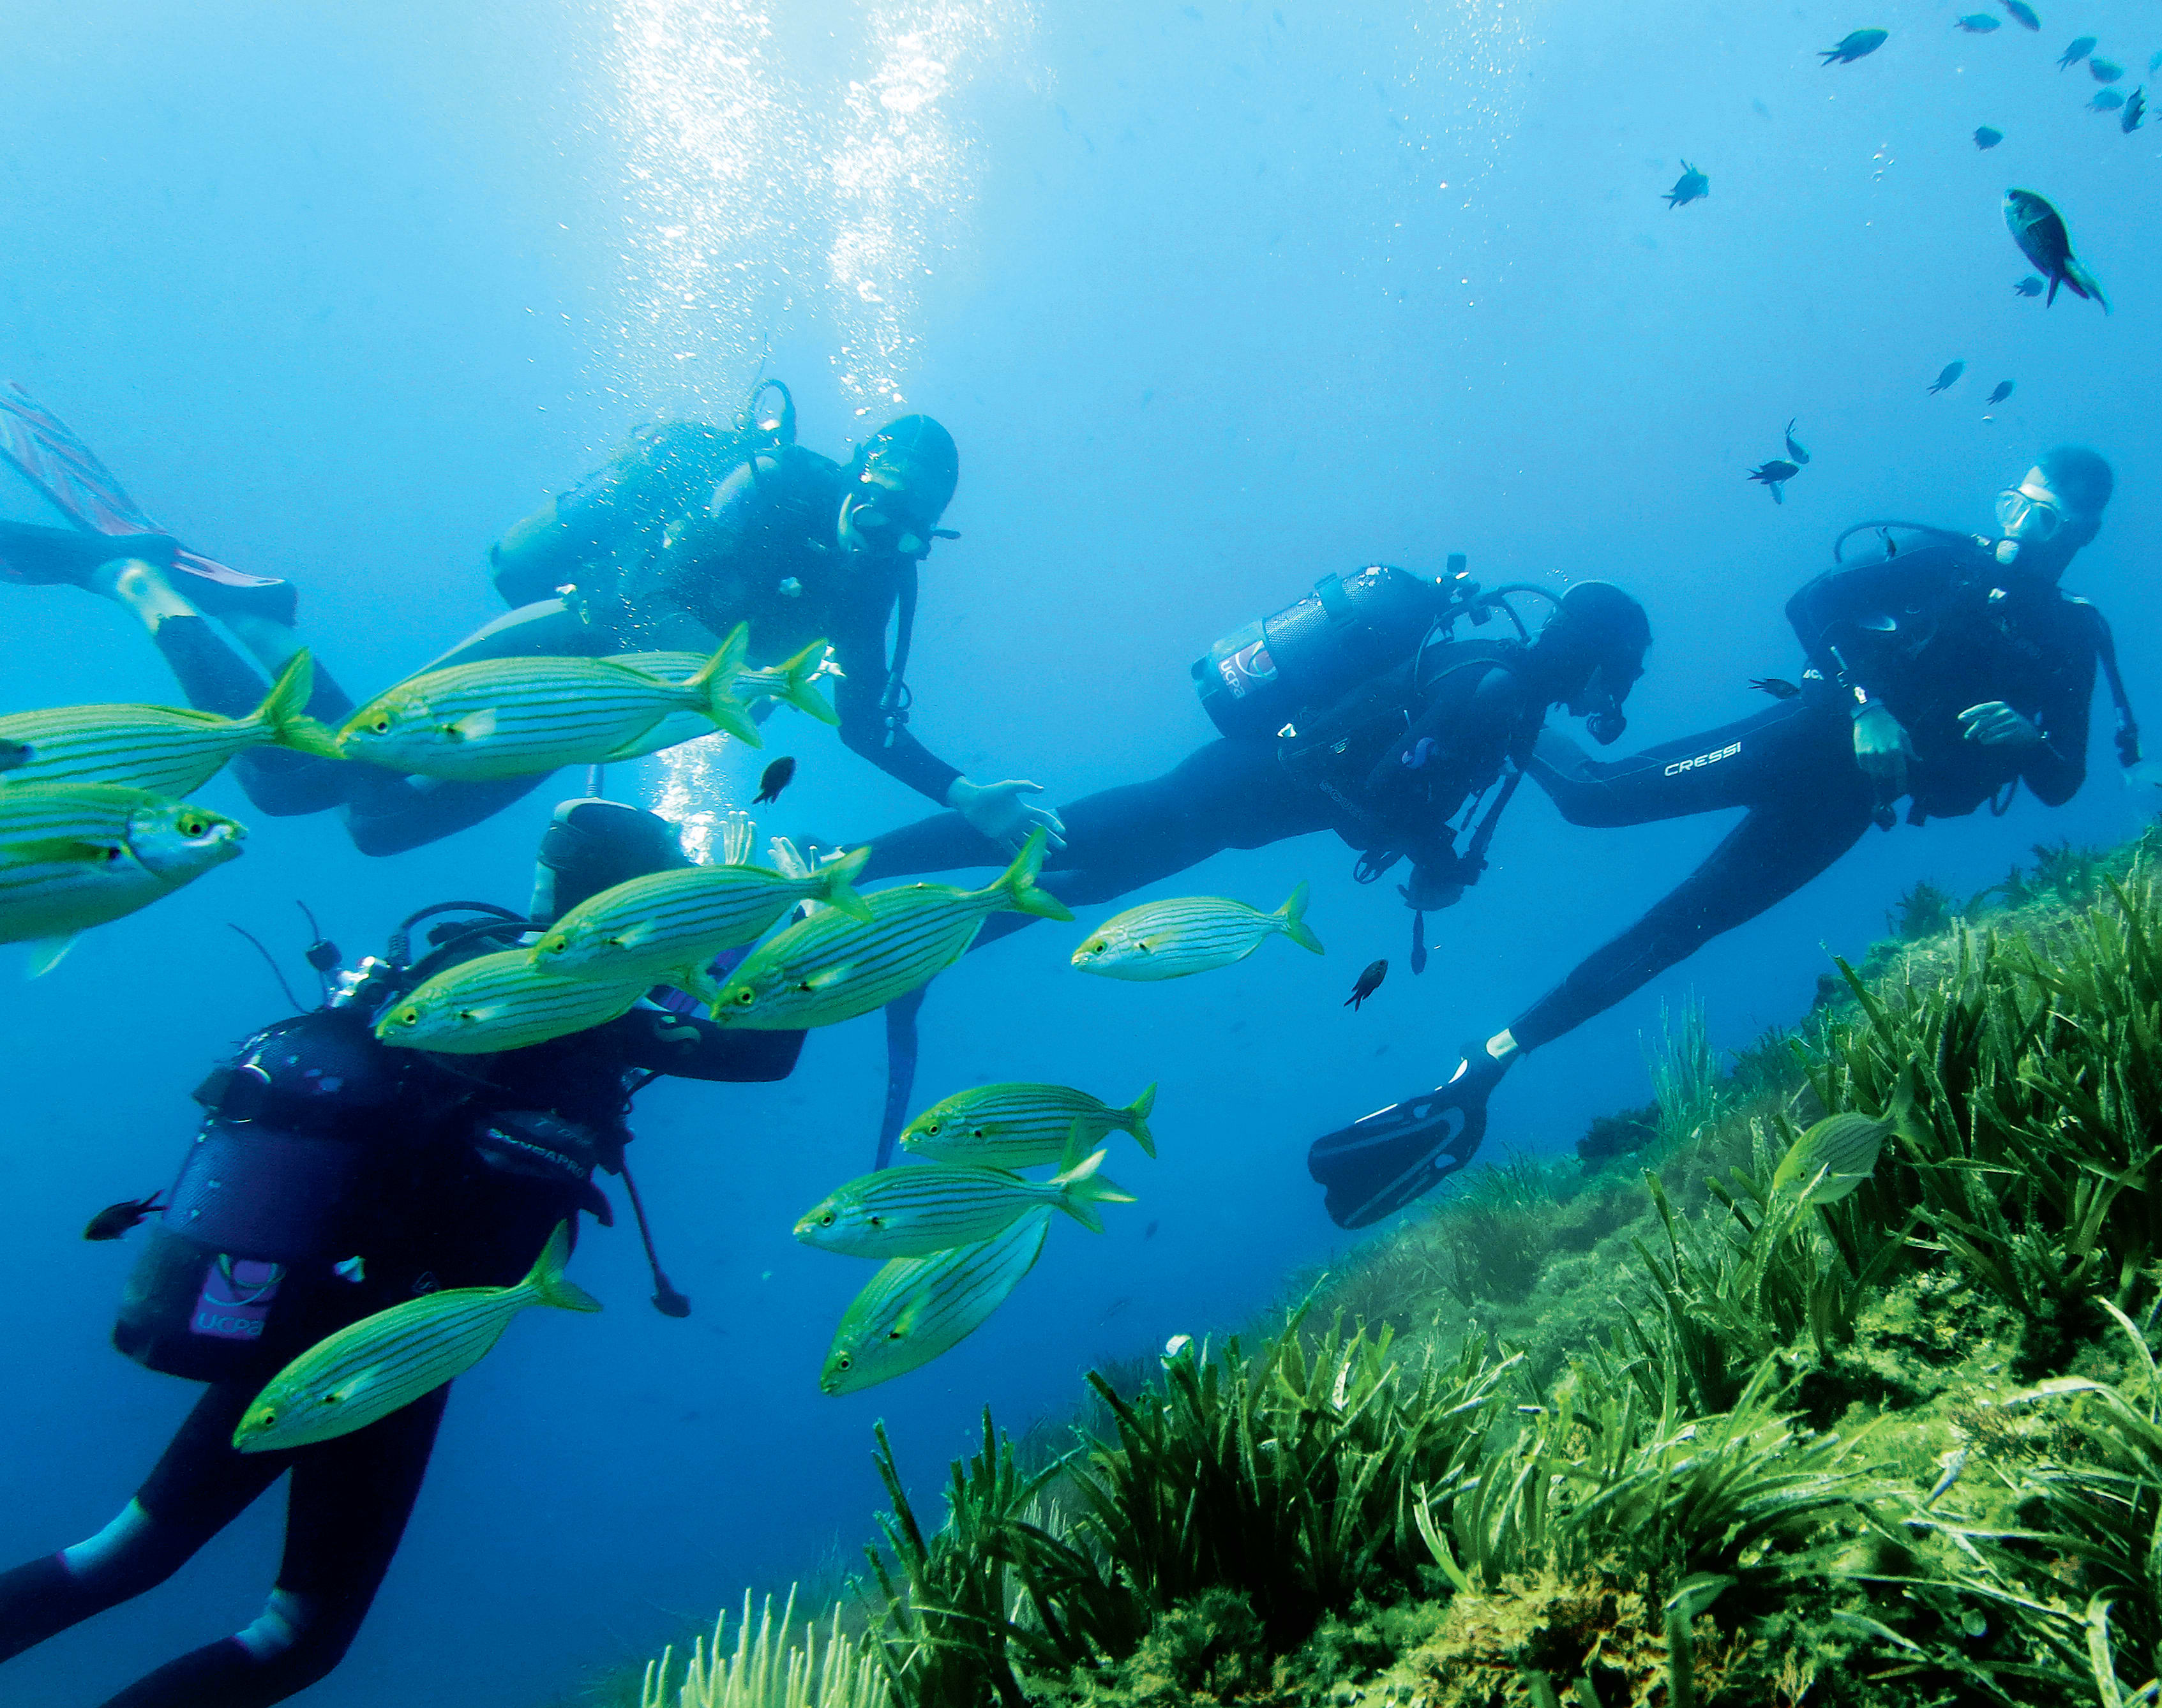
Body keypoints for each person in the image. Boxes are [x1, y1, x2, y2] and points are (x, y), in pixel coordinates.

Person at [0, 800, 804, 1707]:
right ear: (633, 892)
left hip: (313, 1293)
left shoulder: (468, 954)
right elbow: (761, 1055)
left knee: (128, 1552)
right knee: (296, 1635)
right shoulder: (577, 985)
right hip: (393, 1332)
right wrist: (801, 923)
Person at [1304, 447, 2138, 1228]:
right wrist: (1865, 706)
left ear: (2084, 535)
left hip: (1849, 810)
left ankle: (1490, 1059)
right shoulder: (1951, 564)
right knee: (1595, 799)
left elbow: (2063, 780)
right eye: (2015, 506)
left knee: (1679, 933)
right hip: (1805, 738)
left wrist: (2027, 743)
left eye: (2046, 520)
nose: (2019, 530)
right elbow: (1813, 605)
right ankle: (1496, 688)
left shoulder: (2073, 634)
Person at [0, 381, 1062, 856]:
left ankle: (272, 622)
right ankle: (146, 588)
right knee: (298, 780)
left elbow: (869, 721)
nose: (883, 537)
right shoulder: (774, 479)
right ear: (860, 474)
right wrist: (716, 672)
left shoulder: (883, 582)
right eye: (878, 510)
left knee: (381, 826)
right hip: (568, 641)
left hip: (598, 725)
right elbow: (645, 591)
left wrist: (962, 790)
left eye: (912, 530)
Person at [853, 569, 1655, 949]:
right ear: (1594, 654)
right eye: (1624, 667)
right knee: (1054, 840)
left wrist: (1428, 846)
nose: (1624, 686)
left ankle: (907, 948)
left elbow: (1400, 776)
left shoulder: (1495, 682)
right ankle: (845, 868)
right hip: (1228, 790)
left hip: (1239, 806)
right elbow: (1386, 786)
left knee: (1083, 880)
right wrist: (1433, 854)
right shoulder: (1495, 691)